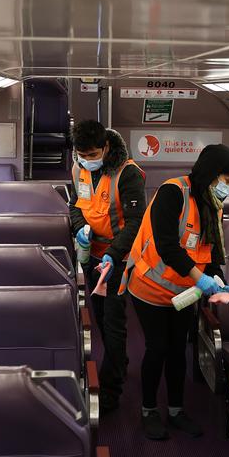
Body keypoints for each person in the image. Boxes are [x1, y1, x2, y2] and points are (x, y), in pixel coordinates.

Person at [118, 144, 229, 440]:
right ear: (211, 174)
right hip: (149, 286)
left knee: (178, 351)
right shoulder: (173, 193)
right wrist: (201, 279)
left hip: (184, 293)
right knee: (157, 347)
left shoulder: (213, 203)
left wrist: (216, 278)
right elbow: (167, 247)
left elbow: (212, 249)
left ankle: (175, 410)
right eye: (226, 180)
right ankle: (148, 410)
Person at [69, 120, 146, 413]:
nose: (86, 161)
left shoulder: (128, 174)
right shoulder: (78, 169)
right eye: (81, 155)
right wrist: (79, 229)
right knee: (100, 314)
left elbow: (137, 222)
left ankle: (111, 389)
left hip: (119, 258)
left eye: (91, 155)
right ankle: (120, 362)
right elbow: (76, 205)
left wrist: (113, 254)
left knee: (114, 322)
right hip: (92, 255)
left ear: (106, 147)